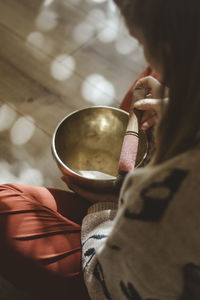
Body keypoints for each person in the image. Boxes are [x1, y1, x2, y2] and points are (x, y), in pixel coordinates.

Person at [1, 1, 200, 300]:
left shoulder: (180, 191)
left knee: (5, 205)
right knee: (150, 78)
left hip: (125, 272)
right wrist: (183, 112)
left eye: (141, 41)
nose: (144, 50)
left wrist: (105, 207)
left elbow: (107, 281)